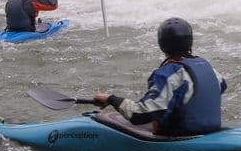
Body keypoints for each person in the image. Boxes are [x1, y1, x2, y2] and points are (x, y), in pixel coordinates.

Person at [93, 17, 227, 136]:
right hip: (212, 131)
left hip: (183, 135)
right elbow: (220, 86)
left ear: (162, 45)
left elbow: (139, 115)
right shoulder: (209, 68)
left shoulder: (169, 74)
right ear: (190, 41)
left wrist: (111, 99)